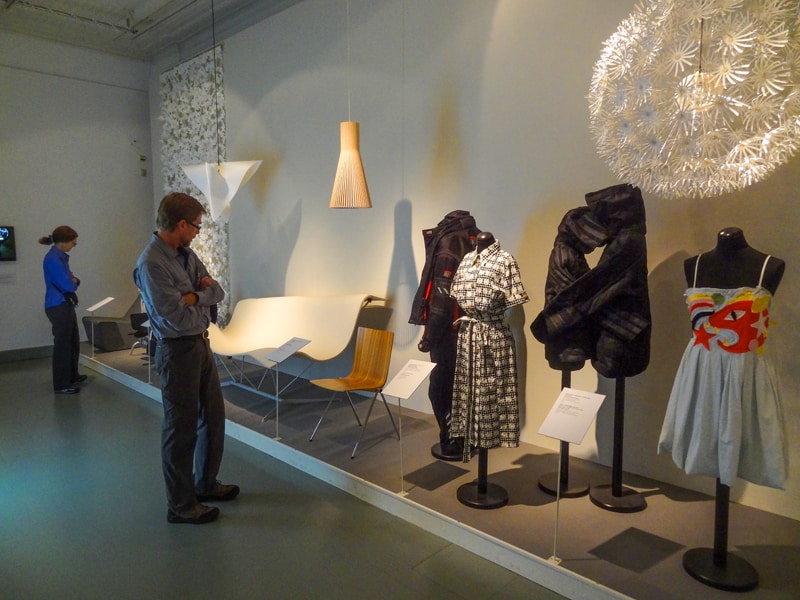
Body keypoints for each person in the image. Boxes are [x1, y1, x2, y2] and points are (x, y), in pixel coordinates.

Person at [136, 192, 239, 525]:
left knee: (212, 417)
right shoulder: (152, 262)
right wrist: (198, 298)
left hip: (199, 346)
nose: (197, 231)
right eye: (195, 225)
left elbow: (217, 293)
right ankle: (181, 505)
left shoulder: (187, 254)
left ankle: (205, 484)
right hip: (177, 350)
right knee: (181, 430)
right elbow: (174, 316)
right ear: (180, 224)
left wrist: (193, 296)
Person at [658, 227, 787, 489]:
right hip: (700, 367)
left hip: (745, 368)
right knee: (701, 432)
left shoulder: (769, 267)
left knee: (741, 433)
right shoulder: (693, 265)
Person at [449, 232, 529, 462]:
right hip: (468, 336)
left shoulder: (506, 261)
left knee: (493, 392)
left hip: (494, 336)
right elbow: (456, 293)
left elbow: (514, 298)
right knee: (467, 389)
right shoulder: (465, 260)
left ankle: (490, 443)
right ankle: (470, 439)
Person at [408, 210, 481, 460]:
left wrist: (429, 337)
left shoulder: (449, 241)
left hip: (447, 330)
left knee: (441, 388)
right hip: (471, 327)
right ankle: (467, 438)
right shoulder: (475, 237)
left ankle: (451, 441)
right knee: (464, 386)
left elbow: (441, 294)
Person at [40, 226, 86, 394]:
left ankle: (72, 375)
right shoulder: (53, 259)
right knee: (63, 345)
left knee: (72, 341)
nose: (74, 244)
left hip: (63, 304)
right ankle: (61, 383)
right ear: (62, 242)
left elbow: (71, 281)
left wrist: (74, 280)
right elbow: (68, 284)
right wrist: (74, 280)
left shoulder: (60, 258)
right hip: (58, 305)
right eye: (72, 241)